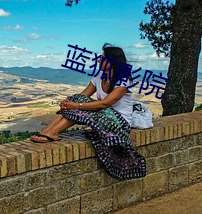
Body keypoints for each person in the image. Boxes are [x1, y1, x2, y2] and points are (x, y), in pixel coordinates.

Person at [30, 43, 146, 179]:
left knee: (78, 105)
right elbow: (83, 96)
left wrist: (76, 105)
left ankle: (53, 132)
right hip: (103, 115)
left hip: (119, 122)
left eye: (102, 58)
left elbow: (105, 103)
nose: (98, 61)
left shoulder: (123, 81)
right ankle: (48, 131)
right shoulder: (99, 78)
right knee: (76, 99)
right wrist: (68, 103)